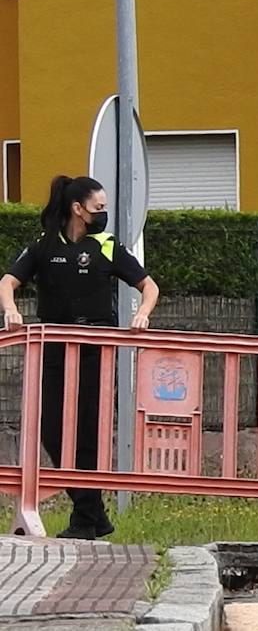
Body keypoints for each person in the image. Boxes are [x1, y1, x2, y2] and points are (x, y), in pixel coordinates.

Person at [0, 175, 160, 540]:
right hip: (55, 347)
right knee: (52, 428)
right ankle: (92, 514)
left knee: (87, 432)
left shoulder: (106, 245)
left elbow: (148, 286)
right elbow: (8, 281)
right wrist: (10, 310)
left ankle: (85, 519)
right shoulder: (44, 245)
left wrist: (142, 314)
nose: (102, 214)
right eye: (98, 208)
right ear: (77, 209)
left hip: (94, 350)